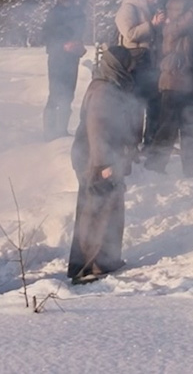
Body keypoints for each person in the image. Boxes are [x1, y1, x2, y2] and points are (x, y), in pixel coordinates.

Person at [69, 45, 144, 283]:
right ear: (118, 64)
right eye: (128, 62)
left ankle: (104, 260)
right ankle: (91, 266)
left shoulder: (110, 85)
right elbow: (98, 129)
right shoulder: (104, 91)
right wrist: (104, 164)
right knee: (96, 210)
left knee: (107, 209)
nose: (132, 66)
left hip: (100, 157)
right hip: (96, 160)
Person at [151, 0, 193, 175]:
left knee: (190, 126)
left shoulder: (190, 33)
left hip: (190, 83)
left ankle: (191, 166)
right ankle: (155, 164)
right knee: (168, 127)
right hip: (174, 83)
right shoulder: (171, 29)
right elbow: (189, 19)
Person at [116, 0, 166, 148]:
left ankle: (150, 141)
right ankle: (133, 144)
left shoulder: (151, 8)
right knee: (136, 104)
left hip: (150, 61)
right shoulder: (129, 8)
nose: (155, 0)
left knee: (154, 102)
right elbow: (129, 34)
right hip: (135, 61)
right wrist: (151, 24)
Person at [41, 0, 89, 139]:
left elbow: (77, 35)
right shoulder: (56, 13)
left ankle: (62, 130)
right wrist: (62, 45)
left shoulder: (80, 14)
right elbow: (47, 35)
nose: (78, 1)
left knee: (68, 94)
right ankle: (49, 132)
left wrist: (78, 46)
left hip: (72, 58)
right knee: (56, 93)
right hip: (57, 57)